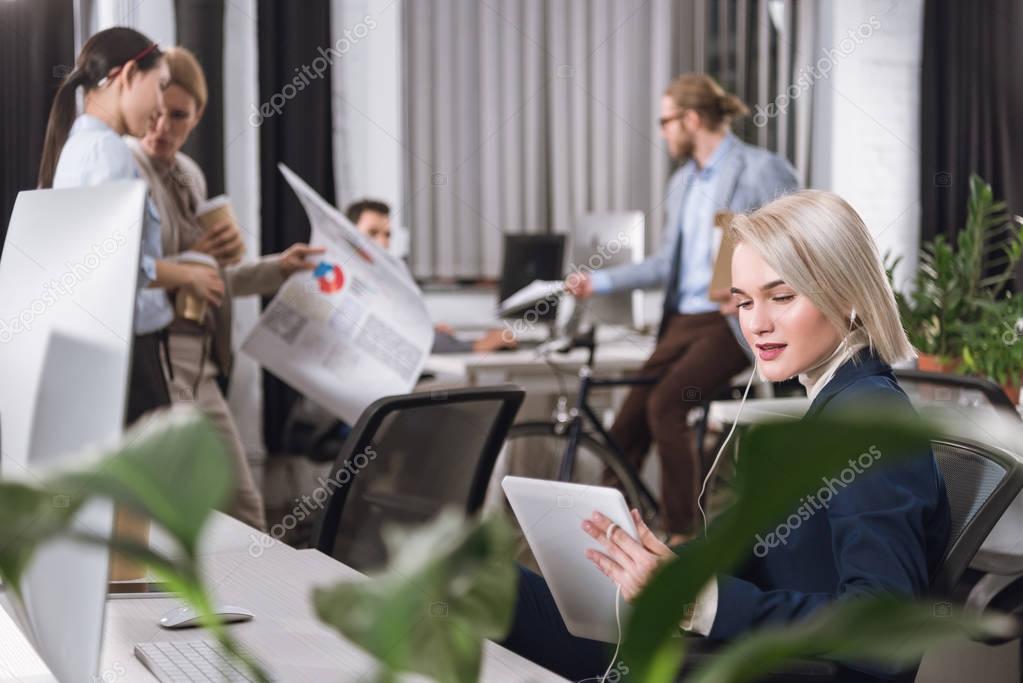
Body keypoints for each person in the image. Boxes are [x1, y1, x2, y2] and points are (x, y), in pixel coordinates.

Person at [502, 190, 951, 681]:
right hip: (720, 647)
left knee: (470, 589)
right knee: (482, 583)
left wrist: (707, 604)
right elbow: (775, 557)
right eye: (743, 302)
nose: (757, 325)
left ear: (845, 295)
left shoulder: (866, 417)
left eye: (781, 297)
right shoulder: (835, 403)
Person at [564, 73, 799, 537]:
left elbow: (797, 242)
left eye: (665, 120)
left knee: (667, 406)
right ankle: (609, 531)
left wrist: (757, 294)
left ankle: (682, 538)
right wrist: (600, 281)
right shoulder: (682, 185)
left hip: (728, 321)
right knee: (629, 421)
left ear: (691, 119)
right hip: (682, 320)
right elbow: (663, 266)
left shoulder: (760, 169)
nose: (662, 131)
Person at [125, 46, 322, 530]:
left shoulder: (189, 175)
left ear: (197, 117)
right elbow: (126, 272)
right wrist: (194, 262)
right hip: (157, 359)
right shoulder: (125, 167)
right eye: (156, 113)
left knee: (242, 506)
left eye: (178, 116)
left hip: (202, 360)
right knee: (169, 512)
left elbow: (214, 279)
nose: (162, 128)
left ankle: (248, 606)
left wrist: (279, 267)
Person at [37, 27, 224, 427]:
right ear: (126, 77)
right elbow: (126, 266)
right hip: (131, 347)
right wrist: (189, 273)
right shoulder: (110, 154)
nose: (160, 108)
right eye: (159, 88)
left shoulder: (79, 145)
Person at [344, 199, 514, 354]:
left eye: (387, 235)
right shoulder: (345, 283)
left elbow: (400, 332)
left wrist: (427, 331)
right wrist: (478, 345)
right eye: (372, 233)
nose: (382, 243)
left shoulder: (386, 279)